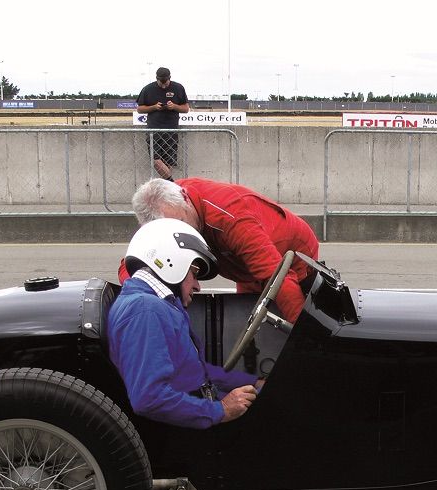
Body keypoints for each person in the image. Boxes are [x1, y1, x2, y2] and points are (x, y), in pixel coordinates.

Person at [108, 218, 260, 429]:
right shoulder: (145, 310)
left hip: (198, 406)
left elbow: (197, 370)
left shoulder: (157, 304)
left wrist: (252, 382)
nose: (197, 286)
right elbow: (149, 398)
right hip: (183, 429)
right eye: (195, 273)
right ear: (171, 262)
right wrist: (221, 410)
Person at [128, 177, 320, 323]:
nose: (180, 232)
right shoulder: (163, 210)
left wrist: (305, 339)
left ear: (185, 198)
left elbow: (276, 276)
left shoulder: (229, 216)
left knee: (284, 313)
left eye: (181, 223)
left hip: (292, 252)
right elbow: (138, 262)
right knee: (245, 317)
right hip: (239, 265)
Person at [135, 67, 189, 180]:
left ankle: (167, 190)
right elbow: (140, 109)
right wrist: (154, 107)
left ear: (170, 78)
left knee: (168, 162)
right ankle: (173, 184)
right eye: (161, 83)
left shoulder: (178, 88)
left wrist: (174, 106)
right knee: (156, 160)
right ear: (157, 79)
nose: (164, 86)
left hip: (171, 130)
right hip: (153, 130)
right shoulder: (148, 89)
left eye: (166, 83)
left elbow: (186, 108)